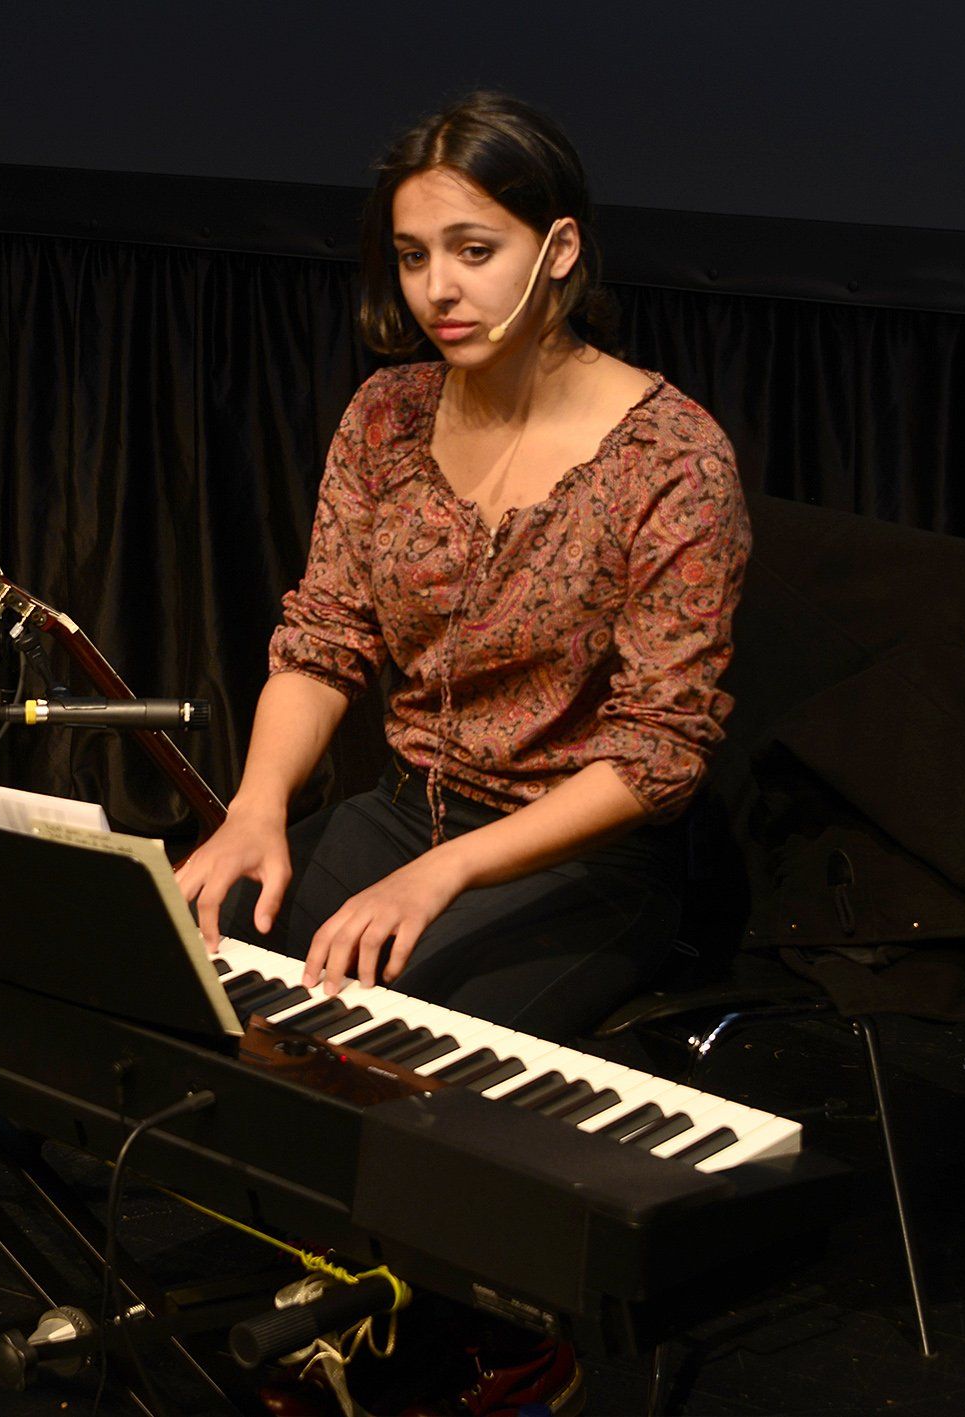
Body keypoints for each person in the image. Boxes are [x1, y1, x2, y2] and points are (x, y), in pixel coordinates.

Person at [175, 90, 748, 1045]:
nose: (437, 288)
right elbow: (323, 642)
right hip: (403, 813)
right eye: (413, 256)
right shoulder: (387, 415)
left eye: (474, 251)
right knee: (186, 963)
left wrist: (442, 874)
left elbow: (660, 751)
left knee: (389, 1047)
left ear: (558, 249)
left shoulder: (674, 459)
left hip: (579, 860)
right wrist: (255, 808)